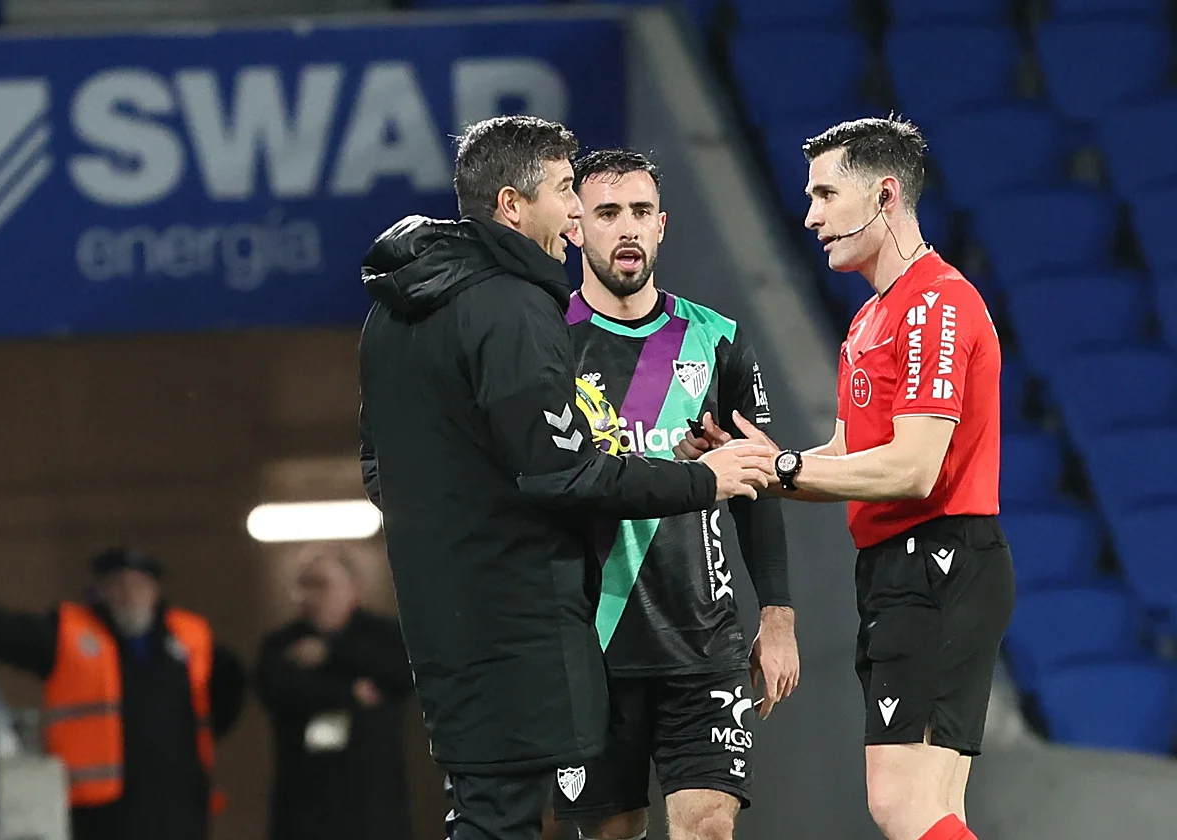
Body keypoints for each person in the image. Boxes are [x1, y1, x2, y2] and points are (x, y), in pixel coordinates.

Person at [357, 115, 776, 840]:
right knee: (501, 818)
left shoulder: (390, 315)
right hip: (519, 613)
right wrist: (702, 481)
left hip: (443, 609)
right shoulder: (514, 307)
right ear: (514, 206)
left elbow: (378, 467)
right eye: (566, 192)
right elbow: (563, 476)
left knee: (487, 809)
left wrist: (455, 532)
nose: (578, 212)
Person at [677, 117, 1014, 840]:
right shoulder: (871, 319)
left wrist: (787, 467)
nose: (811, 215)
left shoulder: (934, 307)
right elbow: (848, 452)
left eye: (827, 194)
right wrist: (757, 466)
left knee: (902, 805)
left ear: (886, 195)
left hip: (937, 560)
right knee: (931, 809)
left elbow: (915, 467)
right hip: (908, 568)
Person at [550, 149, 800, 840]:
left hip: (703, 640)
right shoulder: (544, 343)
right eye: (606, 213)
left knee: (709, 828)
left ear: (661, 226)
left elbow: (759, 482)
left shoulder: (716, 339)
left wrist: (777, 617)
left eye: (638, 212)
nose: (625, 228)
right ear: (576, 228)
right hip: (589, 640)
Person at [0, 547, 246, 840]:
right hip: (102, 813)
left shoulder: (192, 638)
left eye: (138, 585)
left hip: (179, 803)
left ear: (155, 591)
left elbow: (230, 690)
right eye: (117, 585)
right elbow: (6, 631)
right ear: (101, 591)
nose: (128, 594)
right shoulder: (70, 634)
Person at [257, 549, 415, 840]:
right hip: (303, 806)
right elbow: (275, 691)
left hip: (373, 806)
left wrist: (331, 653)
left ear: (354, 588)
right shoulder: (283, 642)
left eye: (321, 584)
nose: (310, 596)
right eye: (304, 585)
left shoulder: (384, 636)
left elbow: (402, 676)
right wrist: (350, 693)